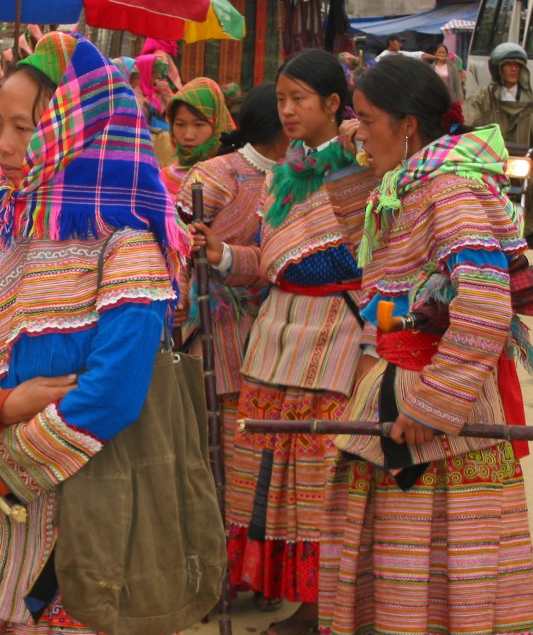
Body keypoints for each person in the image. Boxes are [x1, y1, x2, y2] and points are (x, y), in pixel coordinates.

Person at [0, 31, 190, 634]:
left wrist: (0, 464)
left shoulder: (127, 241)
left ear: (82, 129)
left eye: (24, 128)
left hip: (79, 512)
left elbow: (113, 392)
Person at [320, 54, 533, 635]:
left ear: (408, 125)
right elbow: (394, 297)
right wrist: (377, 360)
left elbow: (486, 303)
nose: (357, 133)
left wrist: (430, 404)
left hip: (438, 415)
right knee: (404, 575)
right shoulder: (408, 186)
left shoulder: (448, 189)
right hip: (400, 390)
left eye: (365, 119)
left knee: (432, 575)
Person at [233, 49, 377, 635]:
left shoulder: (360, 168)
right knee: (276, 471)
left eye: (299, 99)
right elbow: (270, 263)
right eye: (281, 99)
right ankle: (294, 597)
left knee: (321, 476)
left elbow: (370, 261)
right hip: (277, 336)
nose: (286, 110)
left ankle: (325, 608)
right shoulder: (281, 176)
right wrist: (217, 255)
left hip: (334, 337)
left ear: (335, 105)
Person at [175, 81, 290, 608]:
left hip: (279, 336)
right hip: (219, 336)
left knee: (265, 461)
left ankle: (257, 574)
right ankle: (216, 576)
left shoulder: (298, 176)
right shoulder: (215, 176)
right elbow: (175, 254)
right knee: (214, 458)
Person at [464, 42, 533, 242]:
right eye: (508, 64)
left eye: (517, 65)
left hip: (524, 160)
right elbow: (467, 117)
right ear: (497, 68)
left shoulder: (530, 100)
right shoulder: (484, 97)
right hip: (492, 161)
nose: (513, 69)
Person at [161, 77, 235, 198]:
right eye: (180, 124)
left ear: (216, 126)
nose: (188, 135)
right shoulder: (161, 179)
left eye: (199, 125)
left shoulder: (235, 180)